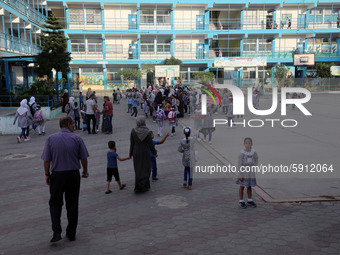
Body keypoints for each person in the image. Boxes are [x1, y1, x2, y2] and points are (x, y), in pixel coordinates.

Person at [41, 116, 89, 242]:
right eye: (73, 124)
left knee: (55, 203)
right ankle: (71, 233)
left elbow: (46, 160)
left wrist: (47, 174)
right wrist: (85, 171)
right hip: (73, 175)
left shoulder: (51, 139)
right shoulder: (77, 138)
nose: (74, 126)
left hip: (57, 176)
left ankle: (56, 232)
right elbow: (83, 158)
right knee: (72, 203)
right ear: (68, 124)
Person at [129, 116, 157, 193]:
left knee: (138, 169)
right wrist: (154, 153)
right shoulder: (147, 132)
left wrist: (130, 154)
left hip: (136, 152)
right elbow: (151, 144)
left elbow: (132, 143)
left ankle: (138, 187)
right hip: (144, 151)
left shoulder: (133, 131)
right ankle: (145, 186)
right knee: (146, 168)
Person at [236, 137, 258, 209]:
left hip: (250, 172)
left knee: (249, 186)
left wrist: (254, 165)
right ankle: (241, 201)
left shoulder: (253, 152)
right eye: (246, 143)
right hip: (243, 172)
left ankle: (249, 199)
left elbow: (256, 158)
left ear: (252, 144)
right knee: (242, 186)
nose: (248, 145)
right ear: (244, 144)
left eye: (249, 143)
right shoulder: (241, 153)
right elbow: (239, 164)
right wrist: (240, 175)